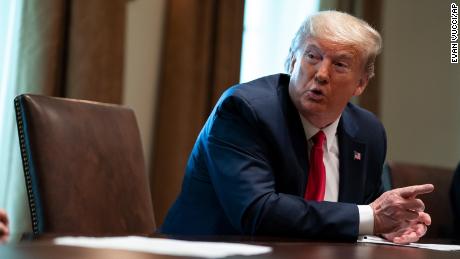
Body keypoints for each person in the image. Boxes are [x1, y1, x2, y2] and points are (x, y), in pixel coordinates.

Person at [160, 10, 433, 244]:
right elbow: (258, 212)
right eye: (312, 57)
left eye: (339, 64)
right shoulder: (245, 110)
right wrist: (370, 218)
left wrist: (393, 225)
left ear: (361, 83)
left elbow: (366, 209)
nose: (321, 74)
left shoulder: (368, 132)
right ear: (291, 60)